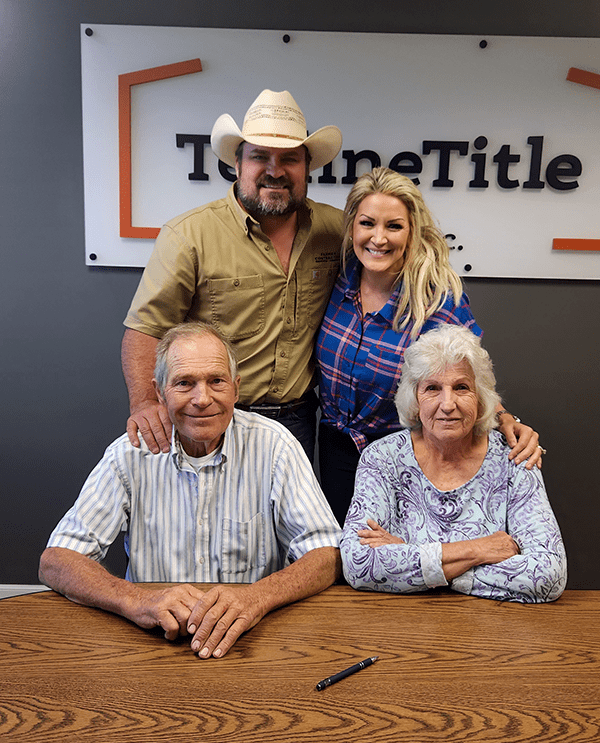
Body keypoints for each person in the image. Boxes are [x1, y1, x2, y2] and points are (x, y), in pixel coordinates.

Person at [39, 322, 342, 659]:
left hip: (252, 641)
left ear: (236, 388)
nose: (202, 399)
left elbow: (326, 554)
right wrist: (137, 600)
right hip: (151, 642)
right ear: (159, 392)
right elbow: (57, 561)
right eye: (184, 383)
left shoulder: (275, 446)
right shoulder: (130, 453)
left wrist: (256, 597)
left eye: (216, 381)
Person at [122, 89, 344, 460]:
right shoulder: (189, 235)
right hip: (210, 418)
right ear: (238, 165)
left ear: (308, 167)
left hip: (299, 422)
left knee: (287, 520)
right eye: (260, 157)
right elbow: (146, 329)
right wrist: (145, 403)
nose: (275, 170)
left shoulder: (337, 231)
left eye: (290, 158)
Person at [316, 167, 543, 524]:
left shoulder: (437, 300)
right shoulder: (339, 278)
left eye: (393, 226)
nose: (378, 238)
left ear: (412, 232)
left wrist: (505, 419)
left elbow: (469, 377)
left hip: (402, 455)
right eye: (367, 223)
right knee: (342, 558)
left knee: (393, 562)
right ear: (351, 228)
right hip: (334, 449)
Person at [340, 324, 566, 603]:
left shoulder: (515, 457)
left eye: (461, 387)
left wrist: (412, 557)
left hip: (496, 632)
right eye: (432, 388)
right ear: (415, 399)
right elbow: (357, 562)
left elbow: (548, 574)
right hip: (399, 629)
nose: (448, 404)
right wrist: (478, 550)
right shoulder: (382, 458)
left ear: (482, 398)